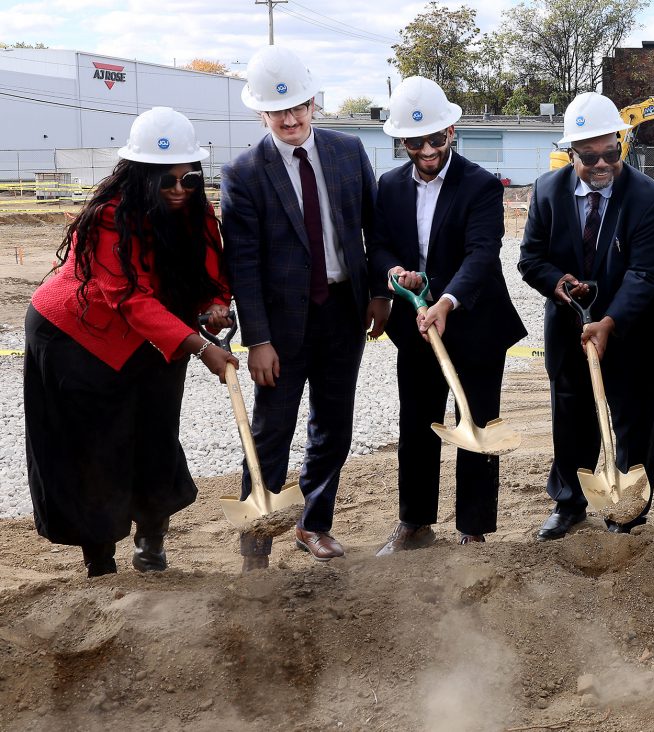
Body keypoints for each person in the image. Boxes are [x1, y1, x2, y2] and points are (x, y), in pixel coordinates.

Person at [24, 107, 237, 577]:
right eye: (166, 181)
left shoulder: (198, 212)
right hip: (79, 338)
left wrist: (215, 305)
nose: (179, 190)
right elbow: (128, 298)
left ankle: (151, 542)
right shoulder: (110, 218)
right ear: (142, 176)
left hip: (162, 335)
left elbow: (212, 272)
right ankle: (99, 561)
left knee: (156, 435)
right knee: (95, 448)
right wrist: (201, 347)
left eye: (189, 178)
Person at [220, 46, 387, 570]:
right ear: (261, 113)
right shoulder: (244, 173)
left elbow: (375, 229)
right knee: (271, 431)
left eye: (298, 107)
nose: (290, 119)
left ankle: (312, 524)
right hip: (281, 326)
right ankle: (256, 544)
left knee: (333, 427)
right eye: (278, 111)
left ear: (314, 103)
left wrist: (379, 292)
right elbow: (243, 265)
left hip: (342, 312)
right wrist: (258, 339)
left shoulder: (347, 151)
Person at [368, 77, 526, 554]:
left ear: (451, 131)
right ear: (402, 142)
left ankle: (473, 529)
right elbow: (379, 245)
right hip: (416, 325)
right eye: (414, 142)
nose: (427, 150)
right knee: (417, 424)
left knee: (476, 423)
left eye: (435, 138)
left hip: (474, 323)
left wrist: (446, 300)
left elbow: (482, 253)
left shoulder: (480, 185)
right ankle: (415, 523)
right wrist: (395, 273)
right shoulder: (389, 186)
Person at [519, 92, 654, 540]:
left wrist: (610, 321)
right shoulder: (547, 191)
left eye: (612, 152)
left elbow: (648, 273)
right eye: (590, 157)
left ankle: (627, 511)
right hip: (569, 327)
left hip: (635, 330)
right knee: (571, 416)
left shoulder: (649, 198)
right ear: (572, 153)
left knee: (634, 421)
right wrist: (557, 284)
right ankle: (569, 503)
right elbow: (530, 258)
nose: (603, 163)